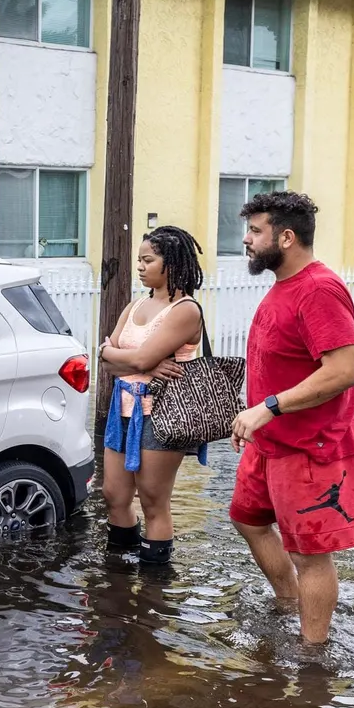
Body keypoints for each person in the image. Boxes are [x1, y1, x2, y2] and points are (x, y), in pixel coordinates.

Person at [229, 191, 354, 645]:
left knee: (311, 555)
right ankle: (289, 601)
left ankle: (314, 654)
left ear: (286, 237)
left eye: (255, 230)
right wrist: (253, 418)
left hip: (313, 447)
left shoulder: (318, 288)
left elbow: (343, 372)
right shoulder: (283, 286)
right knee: (247, 519)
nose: (246, 240)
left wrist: (268, 409)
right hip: (270, 442)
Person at [97, 226, 206, 565]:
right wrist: (135, 363)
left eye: (148, 260)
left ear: (170, 264)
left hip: (161, 414)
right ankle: (118, 571)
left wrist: (127, 359)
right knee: (114, 495)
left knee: (153, 499)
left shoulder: (185, 310)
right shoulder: (135, 305)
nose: (141, 267)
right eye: (139, 260)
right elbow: (105, 357)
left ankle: (153, 582)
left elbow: (132, 356)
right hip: (123, 410)